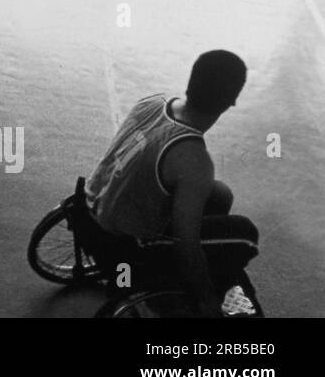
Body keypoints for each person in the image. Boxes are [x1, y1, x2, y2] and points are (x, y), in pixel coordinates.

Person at [86, 50, 260, 316]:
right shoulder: (193, 160)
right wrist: (205, 298)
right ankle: (195, 292)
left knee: (219, 193)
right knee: (245, 236)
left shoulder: (153, 103)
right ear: (231, 101)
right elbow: (185, 244)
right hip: (127, 243)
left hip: (94, 204)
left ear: (191, 82)